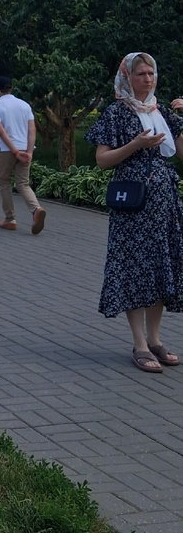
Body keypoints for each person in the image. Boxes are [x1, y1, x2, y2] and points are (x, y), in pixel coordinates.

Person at [87, 53, 183, 373]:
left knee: (159, 268)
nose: (148, 78)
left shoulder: (162, 111)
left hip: (164, 202)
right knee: (135, 268)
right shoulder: (116, 112)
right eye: (141, 73)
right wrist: (137, 144)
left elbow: (180, 153)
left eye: (152, 72)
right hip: (133, 205)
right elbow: (102, 159)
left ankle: (155, 340)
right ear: (127, 77)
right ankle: (139, 344)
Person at [0, 76, 46, 234]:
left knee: (4, 182)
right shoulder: (24, 105)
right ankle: (36, 210)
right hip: (25, 148)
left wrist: (14, 151)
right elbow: (32, 130)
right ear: (11, 88)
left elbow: (1, 132)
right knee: (23, 184)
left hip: (7, 150)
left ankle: (10, 219)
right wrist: (28, 152)